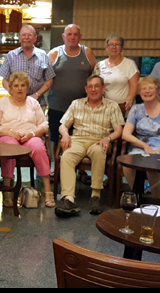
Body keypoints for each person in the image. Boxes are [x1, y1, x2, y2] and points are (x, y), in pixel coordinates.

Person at [55, 75, 124, 218]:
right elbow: (63, 125)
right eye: (90, 87)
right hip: (78, 140)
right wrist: (66, 135)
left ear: (103, 88)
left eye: (97, 86)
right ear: (86, 89)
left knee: (99, 152)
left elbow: (118, 130)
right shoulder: (76, 104)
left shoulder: (112, 106)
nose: (94, 89)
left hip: (100, 140)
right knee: (67, 156)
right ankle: (69, 199)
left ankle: (95, 197)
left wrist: (108, 138)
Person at [0, 72, 54, 208]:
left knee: (39, 147)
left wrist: (32, 133)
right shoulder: (2, 102)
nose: (19, 88)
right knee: (10, 148)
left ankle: (48, 191)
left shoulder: (33, 102)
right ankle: (7, 192)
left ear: (27, 88)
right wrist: (10, 133)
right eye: (16, 85)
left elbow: (44, 125)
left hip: (29, 136)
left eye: (23, 85)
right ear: (10, 88)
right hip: (8, 137)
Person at [47, 24, 97, 185]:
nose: (72, 37)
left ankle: (81, 171)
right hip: (57, 105)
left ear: (80, 36)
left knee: (79, 139)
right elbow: (47, 78)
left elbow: (93, 76)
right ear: (64, 37)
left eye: (76, 34)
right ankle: (57, 170)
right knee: (57, 139)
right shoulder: (54, 54)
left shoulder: (87, 52)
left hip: (82, 108)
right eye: (69, 34)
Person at [121, 77, 160, 198]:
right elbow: (125, 134)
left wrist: (156, 152)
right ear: (139, 92)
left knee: (152, 165)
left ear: (157, 92)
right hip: (140, 146)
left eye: (150, 88)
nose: (147, 91)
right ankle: (136, 195)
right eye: (144, 89)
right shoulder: (135, 109)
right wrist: (144, 146)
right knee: (127, 165)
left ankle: (155, 198)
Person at [0, 25, 56, 111]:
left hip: (38, 102)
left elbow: (49, 80)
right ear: (19, 38)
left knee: (38, 124)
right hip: (15, 104)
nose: (26, 38)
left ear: (35, 38)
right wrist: (13, 93)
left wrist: (37, 94)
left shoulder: (43, 55)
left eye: (29, 35)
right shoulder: (11, 55)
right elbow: (5, 80)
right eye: (24, 35)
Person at [96, 34, 139, 112]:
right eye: (111, 44)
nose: (114, 47)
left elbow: (134, 85)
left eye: (117, 44)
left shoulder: (129, 64)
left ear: (122, 48)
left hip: (123, 107)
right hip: (105, 108)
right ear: (106, 48)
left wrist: (129, 100)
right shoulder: (99, 65)